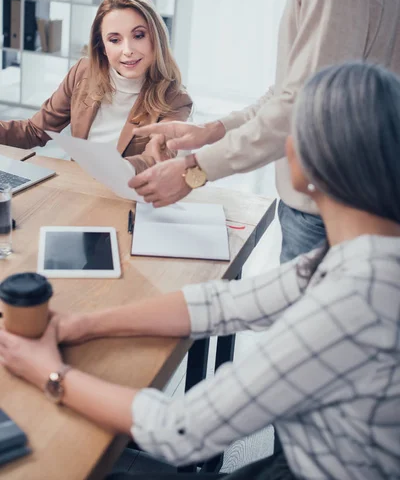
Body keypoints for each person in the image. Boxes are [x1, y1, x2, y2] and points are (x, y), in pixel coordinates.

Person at [1, 61, 400, 480]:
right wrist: (81, 324)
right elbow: (222, 302)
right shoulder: (364, 258)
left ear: (307, 162)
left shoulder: (354, 299)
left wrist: (50, 373)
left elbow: (180, 429)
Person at [127, 0, 400, 263]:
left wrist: (193, 171)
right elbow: (289, 92)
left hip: (332, 216)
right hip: (326, 210)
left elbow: (302, 111)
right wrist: (208, 133)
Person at [0, 0, 192, 172]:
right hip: (79, 189)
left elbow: (153, 159)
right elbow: (34, 131)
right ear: (102, 47)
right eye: (115, 40)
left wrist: (107, 170)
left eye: (139, 35)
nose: (128, 50)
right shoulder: (82, 73)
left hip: (128, 196)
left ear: (156, 37)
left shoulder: (175, 99)